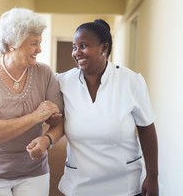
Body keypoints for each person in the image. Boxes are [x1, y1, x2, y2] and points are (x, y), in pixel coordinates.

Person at [27, 19, 159, 196]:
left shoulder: (131, 81)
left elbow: (146, 129)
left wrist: (153, 176)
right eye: (74, 47)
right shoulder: (62, 82)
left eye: (83, 46)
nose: (76, 52)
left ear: (104, 48)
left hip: (124, 183)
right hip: (80, 184)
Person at [0, 7, 64, 196]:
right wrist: (36, 116)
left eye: (40, 42)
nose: (40, 49)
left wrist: (47, 138)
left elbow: (59, 122)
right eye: (34, 43)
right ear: (12, 43)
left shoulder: (44, 73)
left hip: (33, 170)